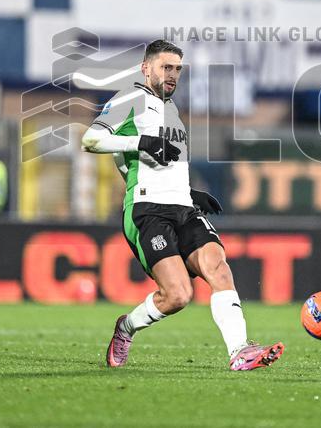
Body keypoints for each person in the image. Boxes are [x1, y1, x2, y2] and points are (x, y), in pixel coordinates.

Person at [82, 39, 284, 372]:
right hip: (147, 209)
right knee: (177, 295)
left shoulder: (172, 111)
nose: (173, 75)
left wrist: (190, 193)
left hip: (183, 208)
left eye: (178, 68)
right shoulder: (129, 98)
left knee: (218, 266)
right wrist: (142, 142)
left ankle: (240, 350)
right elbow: (91, 139)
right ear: (146, 68)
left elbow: (165, 163)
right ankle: (126, 327)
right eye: (166, 67)